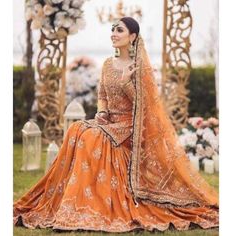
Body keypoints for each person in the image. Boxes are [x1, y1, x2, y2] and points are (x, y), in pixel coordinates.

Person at [14, 17, 219, 232]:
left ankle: (87, 204)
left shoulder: (140, 68)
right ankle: (68, 201)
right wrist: (101, 110)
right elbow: (102, 94)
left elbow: (145, 107)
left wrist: (125, 83)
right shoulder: (107, 64)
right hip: (108, 121)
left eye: (119, 30)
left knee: (92, 137)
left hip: (129, 126)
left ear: (132, 37)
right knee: (76, 129)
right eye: (112, 29)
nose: (113, 33)